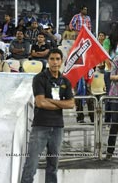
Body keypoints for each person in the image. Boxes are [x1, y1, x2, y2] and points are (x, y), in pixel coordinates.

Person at [20, 48, 75, 183]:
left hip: (57, 127)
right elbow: (40, 102)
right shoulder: (39, 78)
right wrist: (60, 103)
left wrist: (49, 100)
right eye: (52, 59)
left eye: (57, 59)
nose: (55, 62)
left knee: (53, 166)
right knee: (31, 165)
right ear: (47, 60)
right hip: (40, 126)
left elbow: (71, 104)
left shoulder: (65, 81)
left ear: (61, 61)